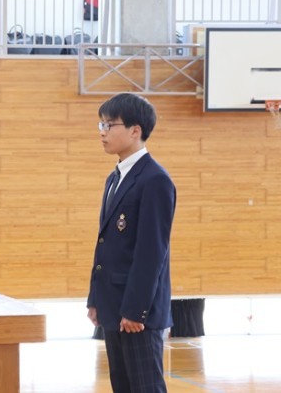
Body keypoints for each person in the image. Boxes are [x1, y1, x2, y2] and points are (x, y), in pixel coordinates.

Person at [86, 93, 176, 393]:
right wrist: (96, 299)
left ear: (135, 130)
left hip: (137, 313)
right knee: (122, 387)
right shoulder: (114, 178)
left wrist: (136, 310)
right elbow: (106, 245)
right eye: (101, 124)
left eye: (109, 125)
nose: (102, 132)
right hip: (114, 305)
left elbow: (152, 252)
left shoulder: (155, 180)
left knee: (145, 388)